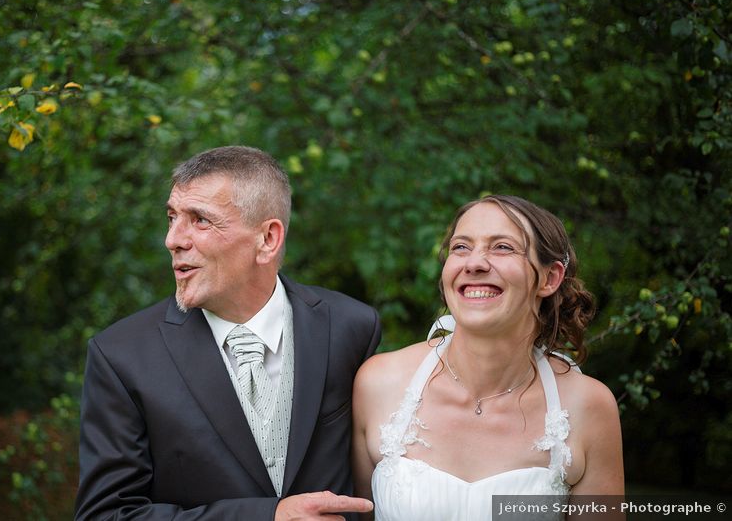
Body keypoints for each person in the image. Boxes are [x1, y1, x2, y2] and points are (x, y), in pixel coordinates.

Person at [76, 146, 382, 520]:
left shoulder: (351, 327)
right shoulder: (122, 356)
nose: (173, 239)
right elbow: (105, 515)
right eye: (171, 218)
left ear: (267, 239)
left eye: (200, 220)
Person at [352, 195, 624, 520]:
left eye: (502, 247)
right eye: (461, 247)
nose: (474, 263)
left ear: (550, 278)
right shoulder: (380, 383)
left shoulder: (588, 407)